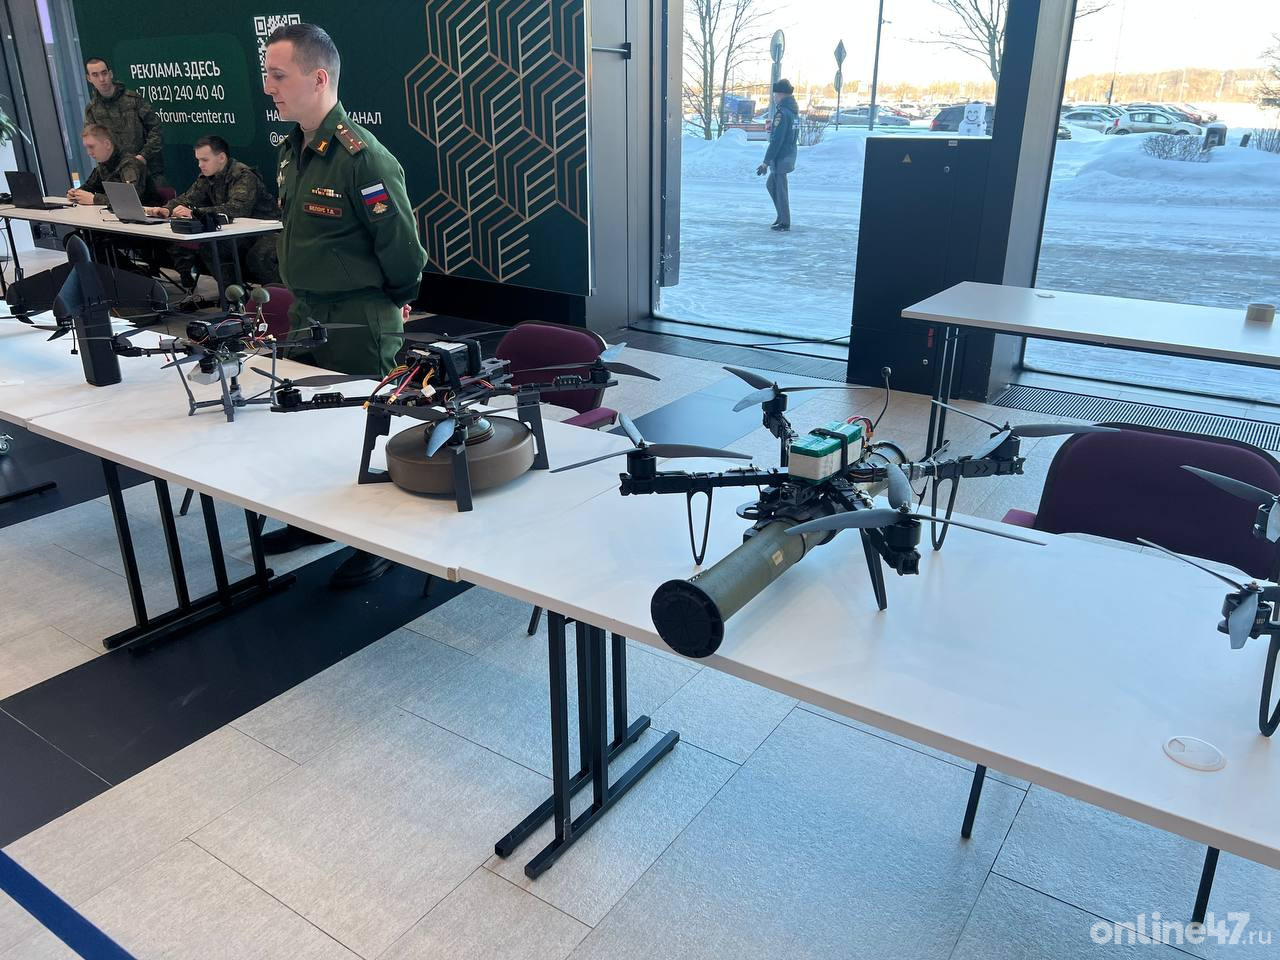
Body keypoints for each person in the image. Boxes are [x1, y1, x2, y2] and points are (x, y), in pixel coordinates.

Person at [259, 21, 428, 587]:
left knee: (370, 428)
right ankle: (316, 522)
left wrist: (395, 302)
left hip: (357, 317)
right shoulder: (293, 152)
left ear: (318, 78)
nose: (269, 87)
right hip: (307, 312)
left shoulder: (363, 158)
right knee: (308, 425)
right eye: (267, 75)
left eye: (279, 75)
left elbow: (403, 249)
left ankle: (382, 542)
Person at [143, 135, 280, 285]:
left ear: (221, 157)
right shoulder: (207, 177)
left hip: (267, 231)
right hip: (239, 232)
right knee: (211, 248)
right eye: (198, 160)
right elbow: (188, 198)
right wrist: (166, 210)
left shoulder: (243, 175)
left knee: (259, 255)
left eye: (205, 160)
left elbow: (237, 209)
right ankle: (234, 294)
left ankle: (276, 296)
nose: (200, 165)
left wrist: (195, 212)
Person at [83, 57, 165, 185]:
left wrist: (142, 157)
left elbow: (156, 130)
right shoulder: (92, 110)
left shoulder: (133, 100)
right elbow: (94, 143)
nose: (102, 79)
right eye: (95, 75)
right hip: (115, 176)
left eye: (104, 73)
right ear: (89, 78)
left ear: (110, 74)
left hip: (148, 171)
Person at [69, 124, 158, 206]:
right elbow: (88, 187)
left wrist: (94, 199)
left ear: (107, 144)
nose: (89, 152)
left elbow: (130, 200)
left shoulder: (129, 164)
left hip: (147, 215)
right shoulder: (103, 166)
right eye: (86, 148)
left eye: (91, 147)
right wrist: (75, 194)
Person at [755, 79, 799, 232]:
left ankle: (784, 221)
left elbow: (776, 141)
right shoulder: (793, 112)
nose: (774, 97)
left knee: (780, 189)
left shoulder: (782, 114)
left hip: (781, 157)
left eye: (775, 95)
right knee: (772, 185)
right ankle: (781, 216)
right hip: (789, 154)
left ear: (781, 95)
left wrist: (765, 162)